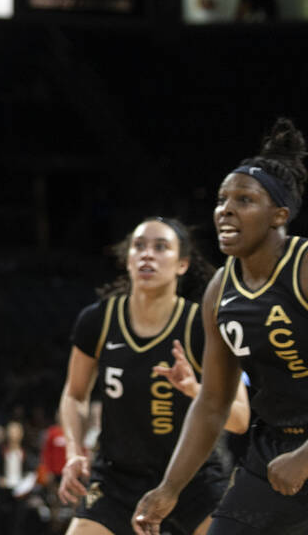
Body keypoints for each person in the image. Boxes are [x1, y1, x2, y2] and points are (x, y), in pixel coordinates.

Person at [134, 119, 308, 535]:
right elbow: (212, 402)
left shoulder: (303, 268)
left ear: (278, 216)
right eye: (221, 199)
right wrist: (169, 488)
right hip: (273, 448)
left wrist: (305, 457)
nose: (225, 209)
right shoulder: (219, 290)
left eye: (245, 200)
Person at [58, 217, 249, 535]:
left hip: (194, 479)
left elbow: (240, 419)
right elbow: (75, 394)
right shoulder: (98, 320)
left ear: (182, 264)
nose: (147, 254)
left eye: (161, 247)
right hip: (118, 478)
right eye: (139, 246)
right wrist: (75, 452)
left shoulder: (203, 326)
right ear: (128, 259)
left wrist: (195, 390)